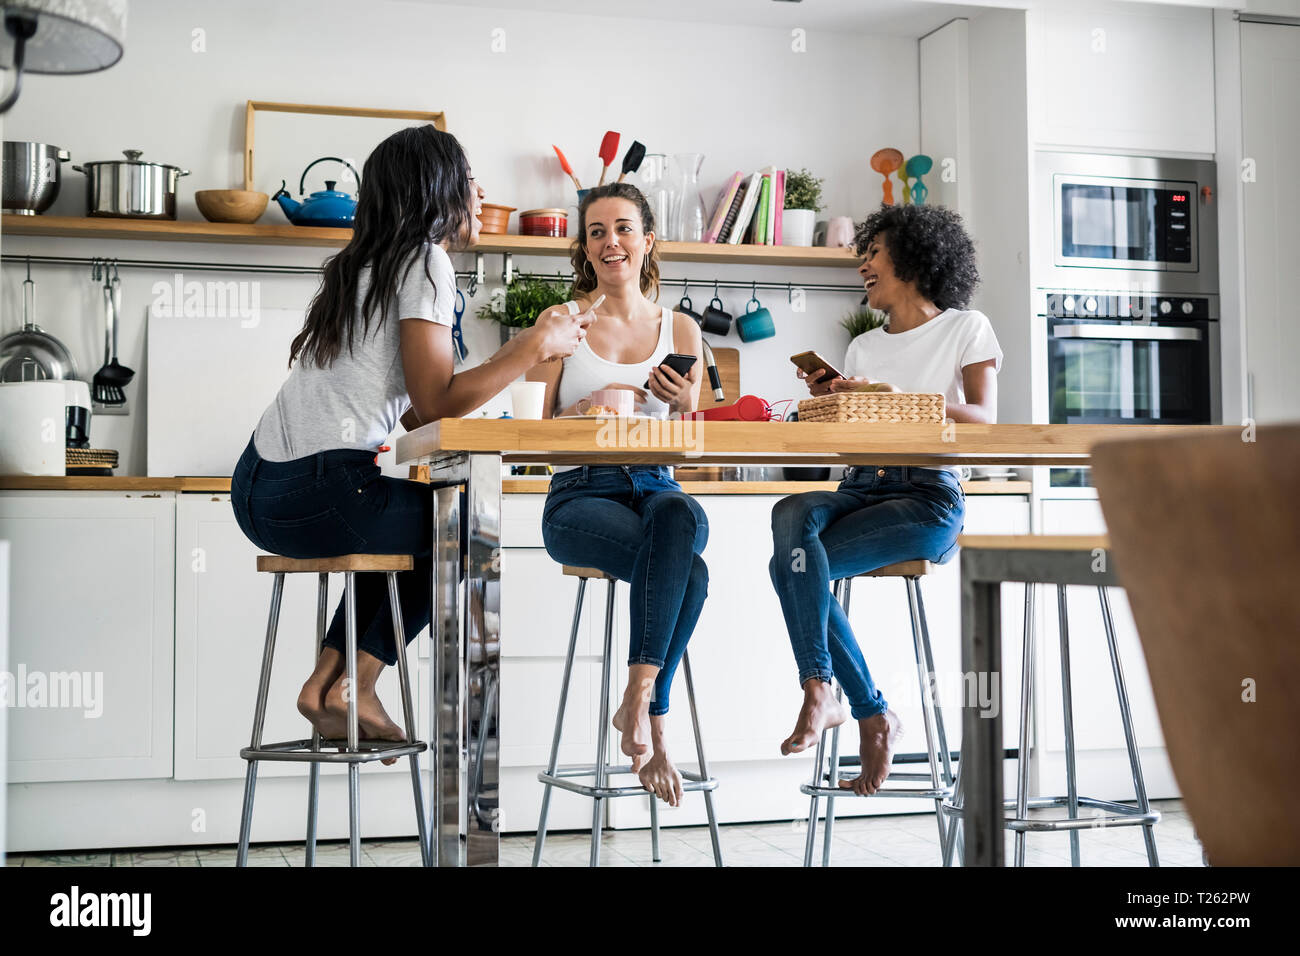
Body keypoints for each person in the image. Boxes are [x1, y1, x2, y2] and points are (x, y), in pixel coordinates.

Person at [230, 125, 591, 751]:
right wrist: (533, 344)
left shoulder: (363, 266)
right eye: (468, 176)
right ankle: (354, 685)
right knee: (467, 529)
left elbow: (418, 415)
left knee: (417, 524)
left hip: (260, 490)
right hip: (321, 489)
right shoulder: (425, 260)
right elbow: (435, 401)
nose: (479, 191)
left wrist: (483, 393)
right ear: (436, 189)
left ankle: (327, 685)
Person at [771, 202, 1002, 795]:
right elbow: (851, 450)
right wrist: (838, 403)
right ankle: (859, 706)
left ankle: (845, 703)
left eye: (873, 254)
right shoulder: (863, 349)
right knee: (791, 515)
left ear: (915, 258)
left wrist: (907, 402)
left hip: (928, 496)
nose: (863, 267)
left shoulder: (965, 328)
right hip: (862, 486)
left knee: (793, 564)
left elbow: (983, 423)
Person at [525, 183, 706, 806]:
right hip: (581, 494)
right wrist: (573, 414)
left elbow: (697, 443)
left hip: (658, 488)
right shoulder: (561, 322)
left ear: (647, 240)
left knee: (680, 517)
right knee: (692, 575)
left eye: (624, 228)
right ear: (584, 246)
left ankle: (634, 697)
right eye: (597, 231)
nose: (612, 242)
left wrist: (686, 407)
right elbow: (532, 432)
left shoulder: (681, 327)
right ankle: (654, 721)